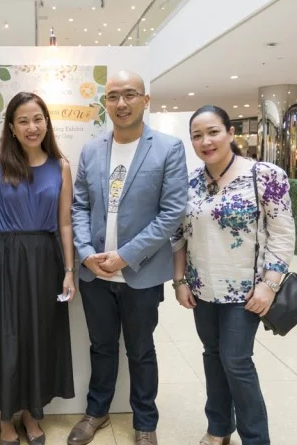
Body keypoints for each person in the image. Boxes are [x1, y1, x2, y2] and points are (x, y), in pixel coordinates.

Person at [70, 70, 188, 445]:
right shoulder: (91, 149)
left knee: (140, 350)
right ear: (105, 103)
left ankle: (145, 421)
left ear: (145, 100)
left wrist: (124, 256)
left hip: (141, 273)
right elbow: (79, 205)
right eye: (114, 96)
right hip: (94, 275)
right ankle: (97, 412)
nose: (121, 103)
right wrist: (86, 254)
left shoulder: (168, 148)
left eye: (130, 95)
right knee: (101, 346)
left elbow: (172, 213)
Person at [171, 105, 295, 445]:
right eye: (197, 135)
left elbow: (283, 235)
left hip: (248, 292)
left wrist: (270, 285)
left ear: (230, 133)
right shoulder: (190, 182)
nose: (205, 141)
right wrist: (180, 280)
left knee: (236, 361)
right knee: (213, 356)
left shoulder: (265, 175)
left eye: (213, 132)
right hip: (202, 290)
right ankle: (219, 428)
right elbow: (179, 236)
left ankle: (256, 438)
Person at [0, 92, 75, 445]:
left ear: (46, 122)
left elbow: (65, 223)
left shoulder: (61, 166)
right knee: (6, 337)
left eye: (38, 119)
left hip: (45, 260)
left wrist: (69, 270)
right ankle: (6, 418)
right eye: (23, 121)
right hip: (5, 257)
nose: (32, 127)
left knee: (39, 336)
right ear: (12, 128)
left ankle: (32, 413)